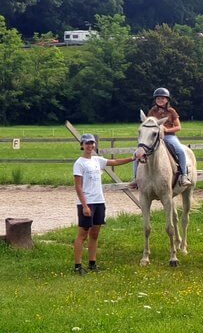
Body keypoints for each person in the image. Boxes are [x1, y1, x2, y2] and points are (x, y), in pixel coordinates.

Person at [73, 133, 134, 275]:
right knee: (83, 234)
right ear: (82, 145)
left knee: (95, 234)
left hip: (99, 201)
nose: (90, 146)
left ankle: (92, 263)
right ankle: (77, 265)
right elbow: (78, 187)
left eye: (92, 143)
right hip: (87, 203)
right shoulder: (79, 163)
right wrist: (85, 206)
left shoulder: (97, 160)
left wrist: (133, 158)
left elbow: (115, 162)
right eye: (87, 143)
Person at [131, 87, 191, 188]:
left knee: (180, 150)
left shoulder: (171, 111)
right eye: (158, 98)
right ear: (155, 100)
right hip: (154, 137)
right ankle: (136, 178)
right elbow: (147, 123)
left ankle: (184, 175)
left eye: (162, 98)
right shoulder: (152, 111)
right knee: (136, 154)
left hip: (169, 136)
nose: (160, 100)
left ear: (167, 100)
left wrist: (167, 130)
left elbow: (178, 127)